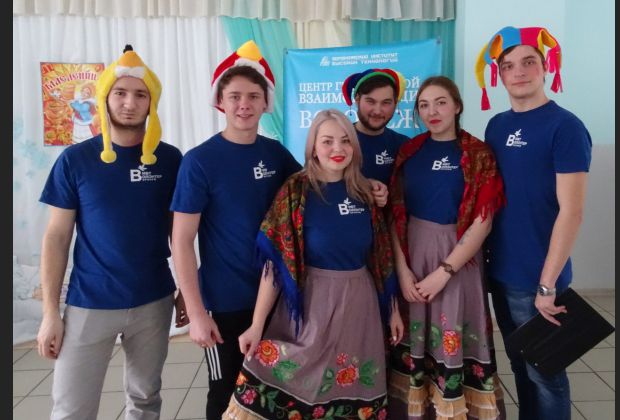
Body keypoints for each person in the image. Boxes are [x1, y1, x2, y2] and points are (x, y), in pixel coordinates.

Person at [222, 109, 404, 419]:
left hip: (360, 307)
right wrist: (256, 324)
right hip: (310, 307)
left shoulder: (365, 193)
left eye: (345, 140)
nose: (338, 148)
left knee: (352, 388)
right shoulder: (295, 191)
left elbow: (380, 258)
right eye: (328, 141)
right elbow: (275, 264)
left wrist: (394, 311)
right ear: (313, 148)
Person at [37, 45, 187, 420]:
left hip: (153, 300)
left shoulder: (171, 160)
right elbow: (56, 237)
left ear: (152, 103)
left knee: (145, 400)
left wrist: (188, 289)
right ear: (105, 97)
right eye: (120, 93)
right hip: (89, 302)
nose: (129, 103)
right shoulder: (75, 160)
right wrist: (50, 313)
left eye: (140, 95)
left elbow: (182, 236)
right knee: (72, 408)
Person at [170, 40, 303, 420]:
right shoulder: (199, 161)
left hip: (275, 298)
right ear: (221, 102)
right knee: (225, 391)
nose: (244, 104)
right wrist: (197, 312)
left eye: (253, 96)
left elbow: (316, 191)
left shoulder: (275, 154)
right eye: (235, 96)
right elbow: (181, 240)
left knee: (276, 390)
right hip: (223, 302)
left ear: (265, 102)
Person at [476, 26, 592, 420]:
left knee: (546, 374)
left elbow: (572, 212)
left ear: (545, 68)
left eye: (529, 62)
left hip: (539, 278)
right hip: (500, 273)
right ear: (500, 75)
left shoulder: (565, 126)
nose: (519, 72)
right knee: (520, 366)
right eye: (508, 65)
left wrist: (547, 285)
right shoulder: (496, 126)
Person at [387, 76, 506, 419]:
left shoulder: (477, 153)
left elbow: (483, 221)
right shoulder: (409, 152)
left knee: (453, 331)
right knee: (415, 337)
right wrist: (402, 270)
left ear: (456, 106)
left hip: (459, 261)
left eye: (440, 102)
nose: (432, 111)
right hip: (413, 256)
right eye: (424, 105)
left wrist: (445, 271)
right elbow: (394, 214)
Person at [342, 68, 410, 185]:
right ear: (357, 100)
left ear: (395, 103)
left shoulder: (404, 146)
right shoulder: (339, 141)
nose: (377, 111)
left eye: (386, 102)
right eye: (370, 101)